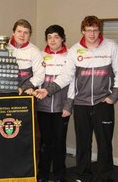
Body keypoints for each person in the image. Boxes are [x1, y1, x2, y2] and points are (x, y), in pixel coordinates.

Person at [35, 16, 118, 182]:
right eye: (88, 30)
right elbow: (66, 77)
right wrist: (48, 91)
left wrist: (114, 96)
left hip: (103, 103)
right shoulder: (75, 50)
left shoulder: (111, 46)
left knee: (104, 144)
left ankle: (104, 177)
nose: (92, 34)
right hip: (81, 104)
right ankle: (82, 175)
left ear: (99, 31)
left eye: (95, 30)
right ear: (83, 31)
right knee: (83, 143)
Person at [36, 25, 73, 182]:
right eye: (49, 37)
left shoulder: (70, 56)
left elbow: (73, 82)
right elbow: (37, 78)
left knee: (59, 142)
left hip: (61, 108)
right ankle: (43, 174)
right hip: (42, 106)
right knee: (45, 142)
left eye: (56, 37)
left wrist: (68, 104)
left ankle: (59, 174)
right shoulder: (40, 56)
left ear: (63, 38)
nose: (53, 40)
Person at [8, 19, 45, 94]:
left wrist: (23, 88)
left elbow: (40, 76)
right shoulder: (3, 48)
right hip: (5, 92)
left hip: (26, 93)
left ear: (29, 35)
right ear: (13, 32)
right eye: (19, 31)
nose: (22, 35)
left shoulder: (35, 51)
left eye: (26, 32)